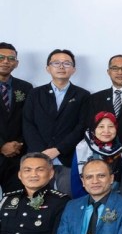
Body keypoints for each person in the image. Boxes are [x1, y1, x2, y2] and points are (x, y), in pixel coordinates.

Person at [22, 49, 90, 194]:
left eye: (66, 63)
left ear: (74, 69)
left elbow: (81, 127)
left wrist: (58, 149)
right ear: (48, 68)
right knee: (36, 202)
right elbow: (28, 124)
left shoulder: (82, 95)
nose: (61, 67)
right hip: (37, 159)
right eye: (56, 63)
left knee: (67, 200)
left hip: (67, 159)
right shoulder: (35, 93)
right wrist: (41, 153)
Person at [70, 112, 122, 198]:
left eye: (111, 126)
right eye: (101, 126)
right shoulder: (82, 149)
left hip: (118, 200)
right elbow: (76, 181)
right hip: (88, 200)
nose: (106, 131)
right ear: (93, 129)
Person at [0, 42, 32, 194]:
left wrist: (18, 144)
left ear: (16, 63)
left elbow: (29, 120)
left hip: (17, 156)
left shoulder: (26, 88)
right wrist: (2, 146)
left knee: (15, 203)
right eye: (1, 57)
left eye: (10, 58)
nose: (6, 61)